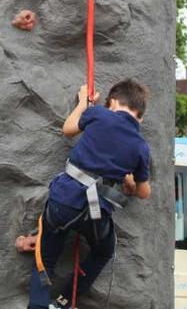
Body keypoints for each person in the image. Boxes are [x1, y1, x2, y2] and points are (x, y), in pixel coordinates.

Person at [28, 79, 152, 309]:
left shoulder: (99, 115)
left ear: (112, 103)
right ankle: (64, 302)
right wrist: (128, 178)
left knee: (45, 259)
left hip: (63, 203)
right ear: (140, 117)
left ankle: (38, 305)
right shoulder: (141, 146)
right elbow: (143, 192)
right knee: (104, 250)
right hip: (95, 214)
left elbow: (68, 129)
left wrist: (84, 103)